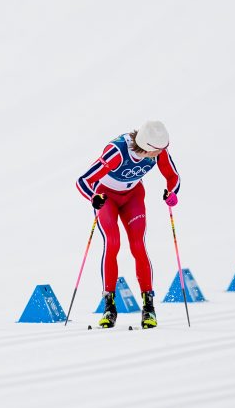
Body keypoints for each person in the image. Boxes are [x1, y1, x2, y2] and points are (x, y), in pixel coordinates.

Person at [76, 120, 181, 329]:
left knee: (138, 246)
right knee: (113, 243)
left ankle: (148, 307)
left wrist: (172, 193)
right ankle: (109, 306)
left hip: (132, 197)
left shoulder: (158, 150)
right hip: (107, 198)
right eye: (159, 150)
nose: (162, 153)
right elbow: (83, 181)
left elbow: (172, 176)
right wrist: (93, 197)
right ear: (146, 146)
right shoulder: (117, 152)